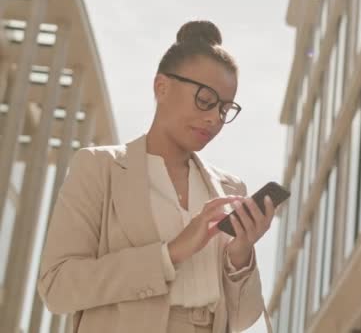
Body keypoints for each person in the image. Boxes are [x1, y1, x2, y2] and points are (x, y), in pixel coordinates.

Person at [37, 20, 274, 333]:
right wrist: (171, 253)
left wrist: (241, 253)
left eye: (225, 108)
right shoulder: (99, 168)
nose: (214, 118)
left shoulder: (229, 189)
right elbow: (57, 288)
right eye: (205, 100)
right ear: (162, 87)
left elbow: (241, 320)